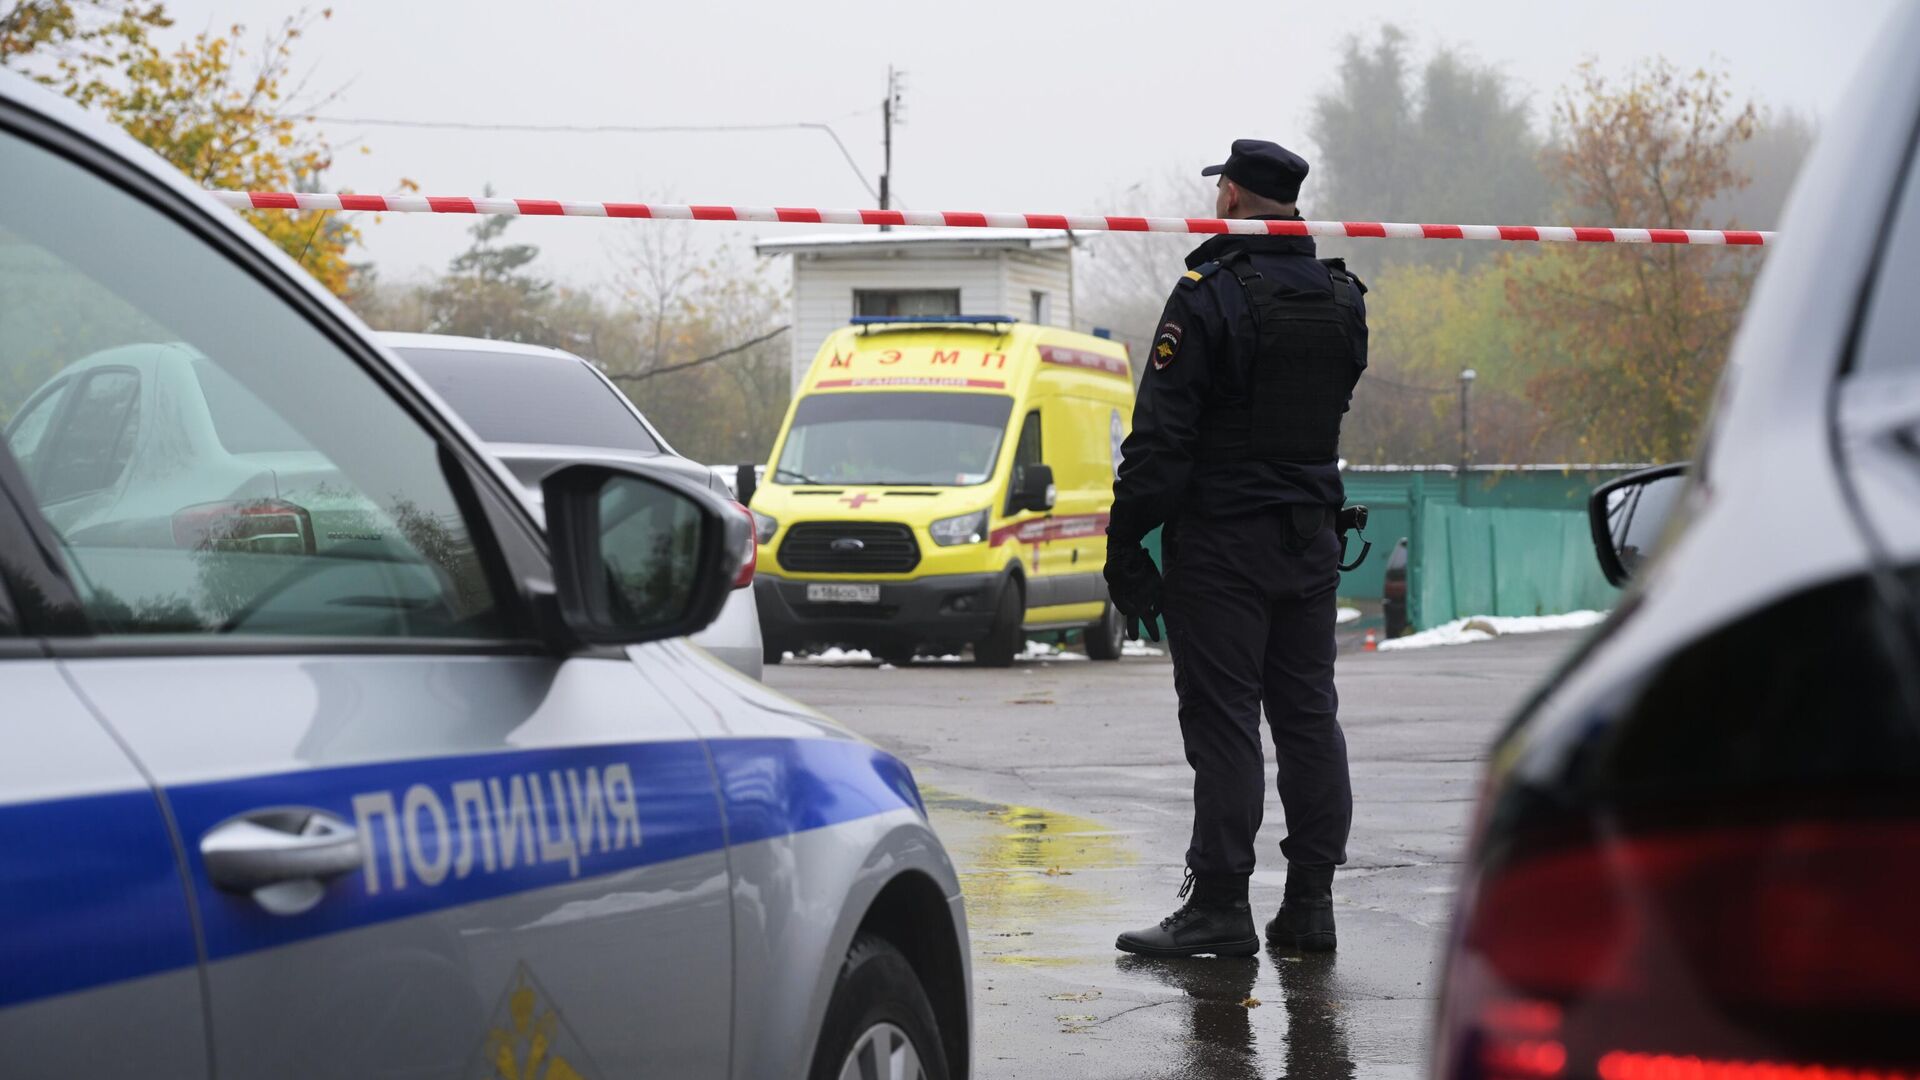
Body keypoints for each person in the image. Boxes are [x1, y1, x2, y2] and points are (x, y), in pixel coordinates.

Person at [1106, 139, 1368, 957]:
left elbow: (1160, 442)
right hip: (1312, 539)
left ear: (1231, 197)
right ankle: (1311, 906)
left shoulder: (1207, 295)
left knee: (1225, 726)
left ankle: (1219, 903)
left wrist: (1125, 546)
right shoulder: (1341, 296)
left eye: (1219, 182)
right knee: (1308, 718)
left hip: (1223, 548)